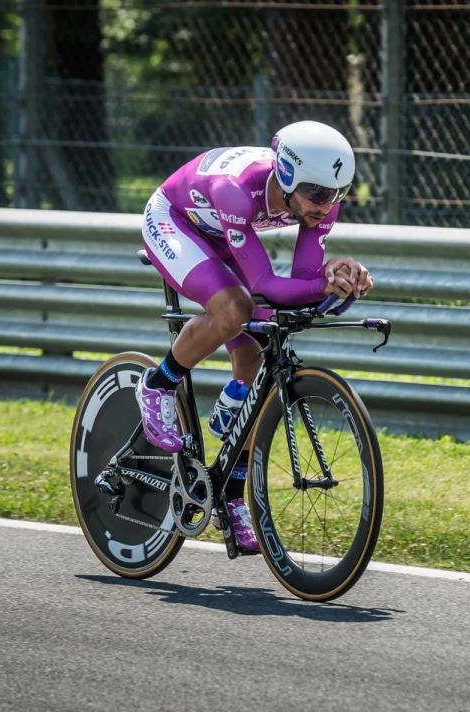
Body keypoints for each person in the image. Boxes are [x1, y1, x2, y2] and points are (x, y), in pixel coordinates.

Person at [137, 121, 373, 552]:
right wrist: (321, 286)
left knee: (264, 343)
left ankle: (230, 493)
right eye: (317, 194)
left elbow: (301, 283)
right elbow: (264, 285)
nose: (327, 205)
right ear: (285, 175)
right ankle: (159, 383)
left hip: (226, 232)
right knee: (236, 309)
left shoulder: (320, 198)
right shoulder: (236, 189)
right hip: (175, 221)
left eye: (337, 193)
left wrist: (339, 282)